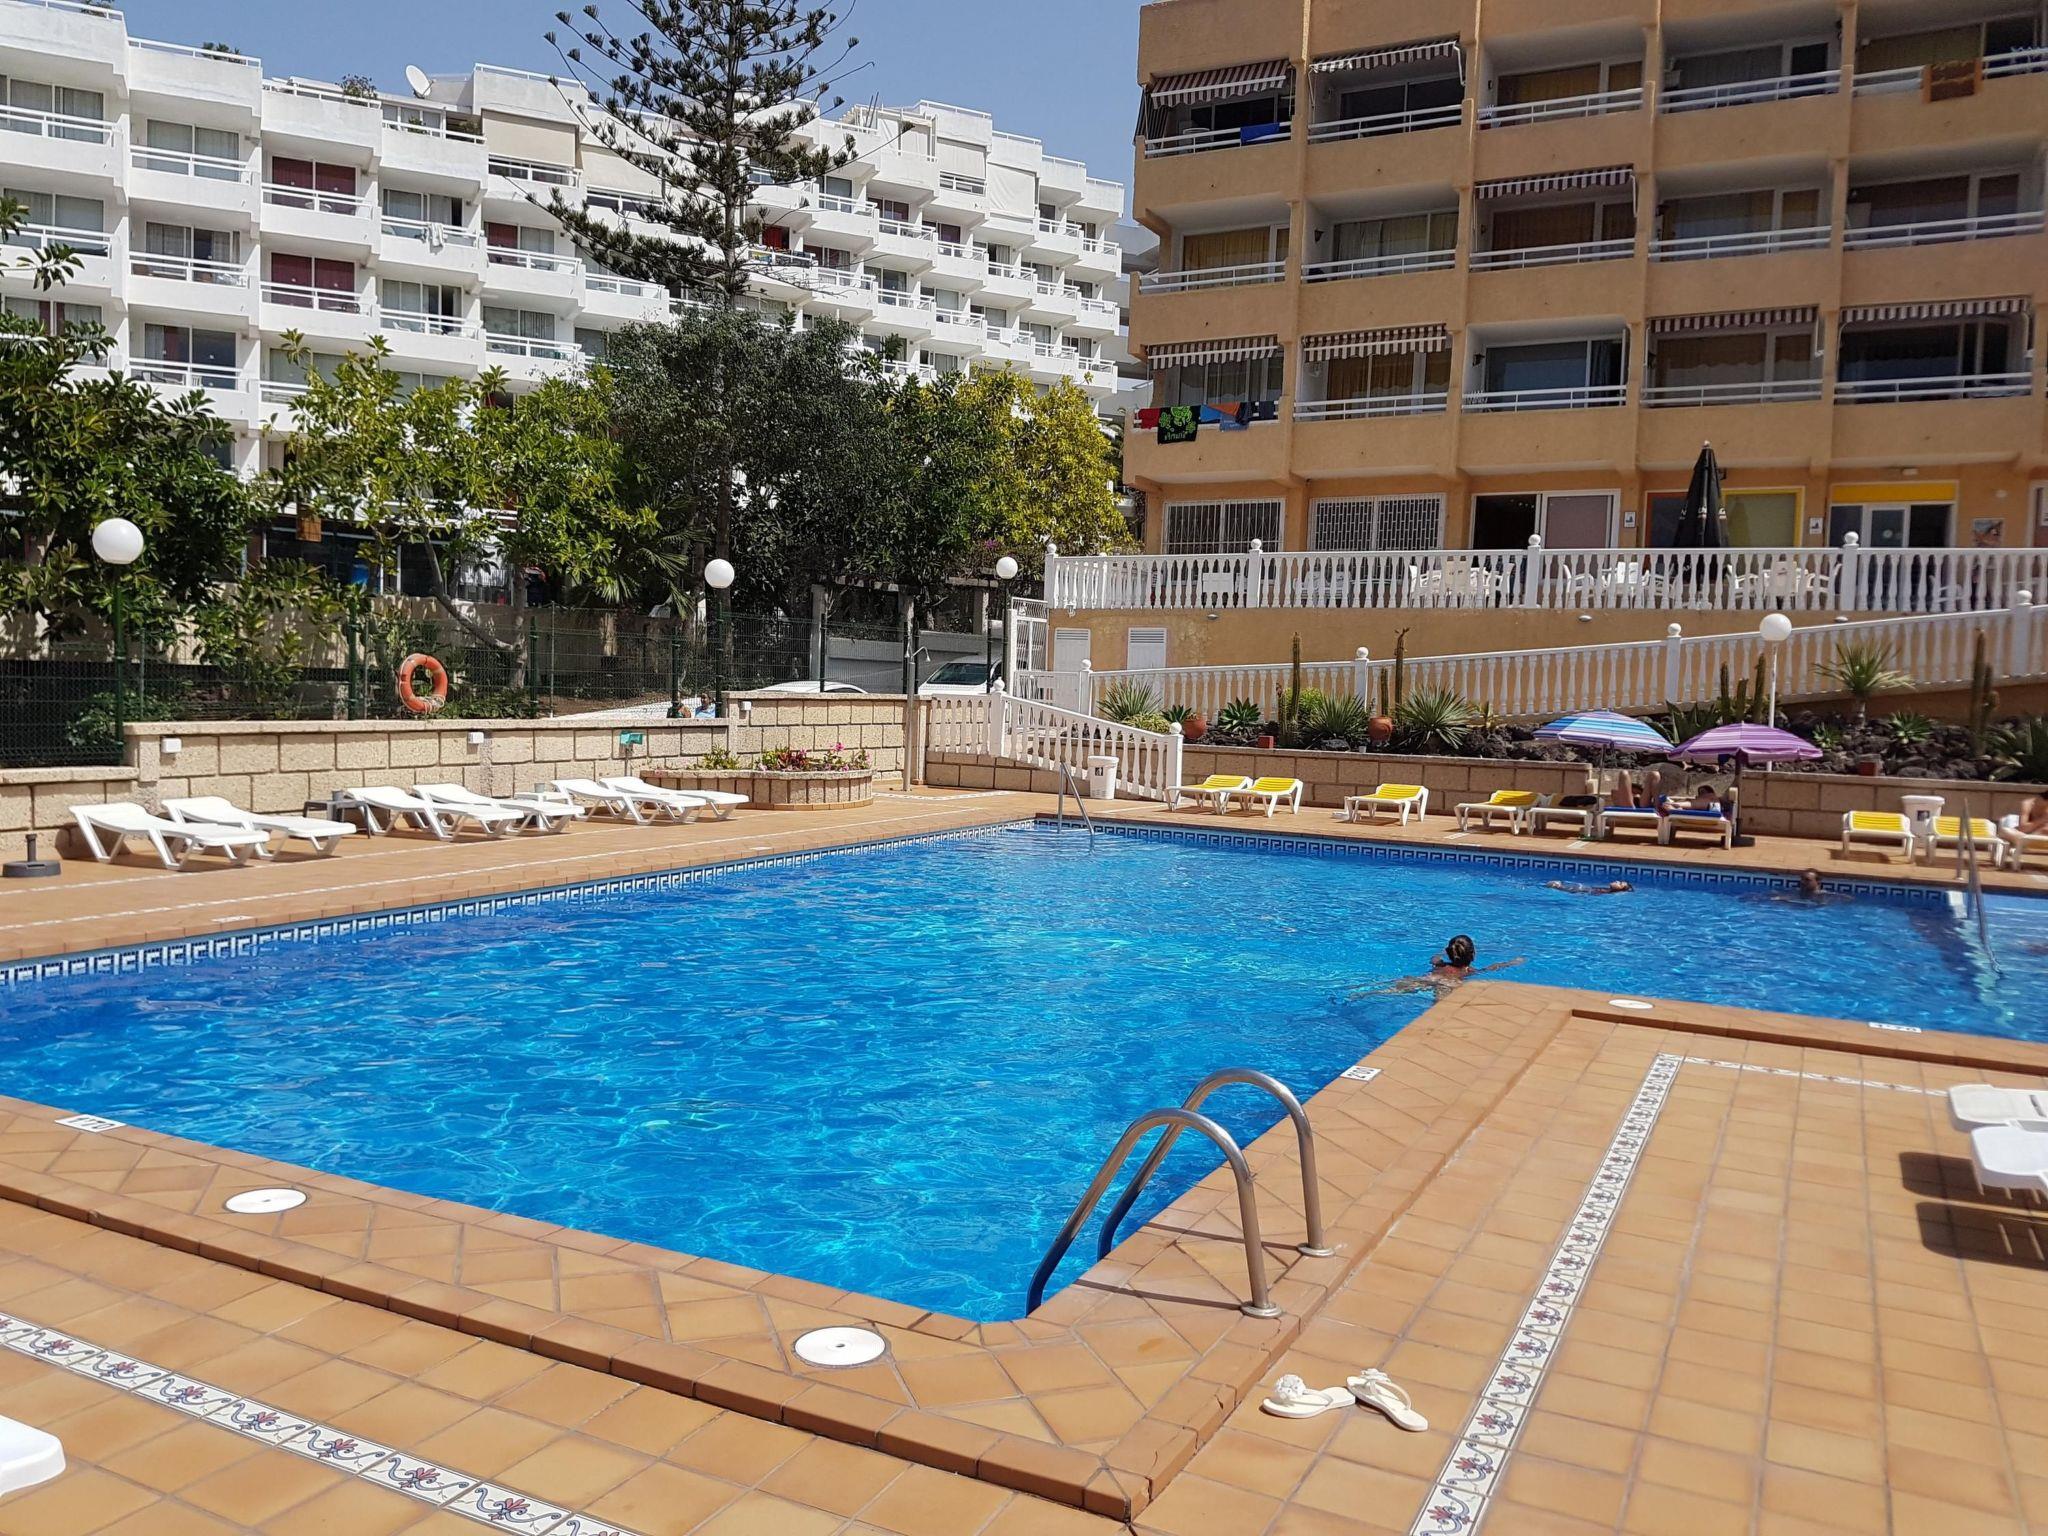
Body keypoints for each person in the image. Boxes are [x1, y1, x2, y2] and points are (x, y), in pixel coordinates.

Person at [1359, 935, 1526, 997]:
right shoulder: (1469, 971)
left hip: (1427, 978)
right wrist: (1512, 962)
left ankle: (1362, 993)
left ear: (1449, 953)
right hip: (1448, 984)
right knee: (1439, 1009)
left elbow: (1433, 958)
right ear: (1473, 955)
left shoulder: (1440, 964)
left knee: (1387, 990)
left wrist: (1441, 954)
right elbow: (1493, 967)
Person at [1547, 879, 1633, 895]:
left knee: (1553, 885)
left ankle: (1556, 886)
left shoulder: (1608, 893)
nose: (1617, 881)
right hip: (1582, 889)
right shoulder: (1607, 890)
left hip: (1580, 891)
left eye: (1620, 883)